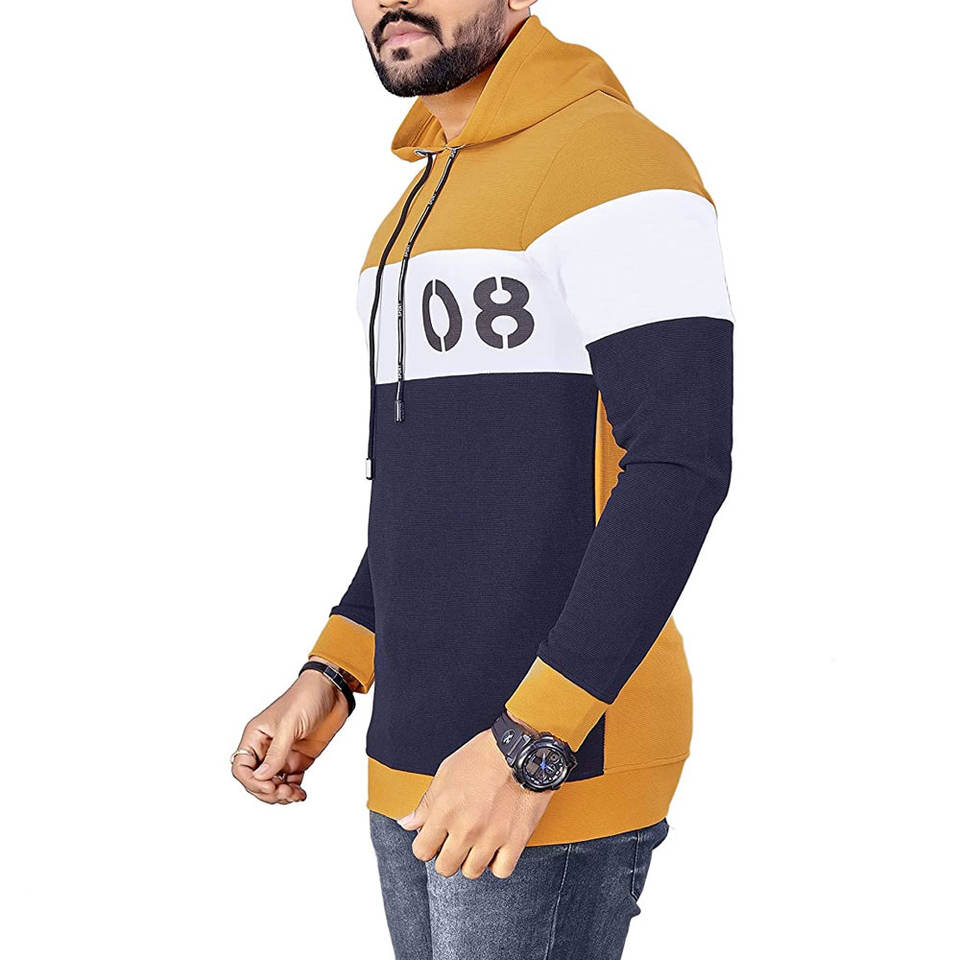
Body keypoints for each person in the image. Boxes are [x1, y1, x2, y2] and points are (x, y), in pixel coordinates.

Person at [231, 3, 734, 958]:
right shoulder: (409, 213)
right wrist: (334, 670)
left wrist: (533, 742)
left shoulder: (617, 160)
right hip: (414, 754)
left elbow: (681, 467)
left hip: (553, 761)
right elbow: (436, 491)